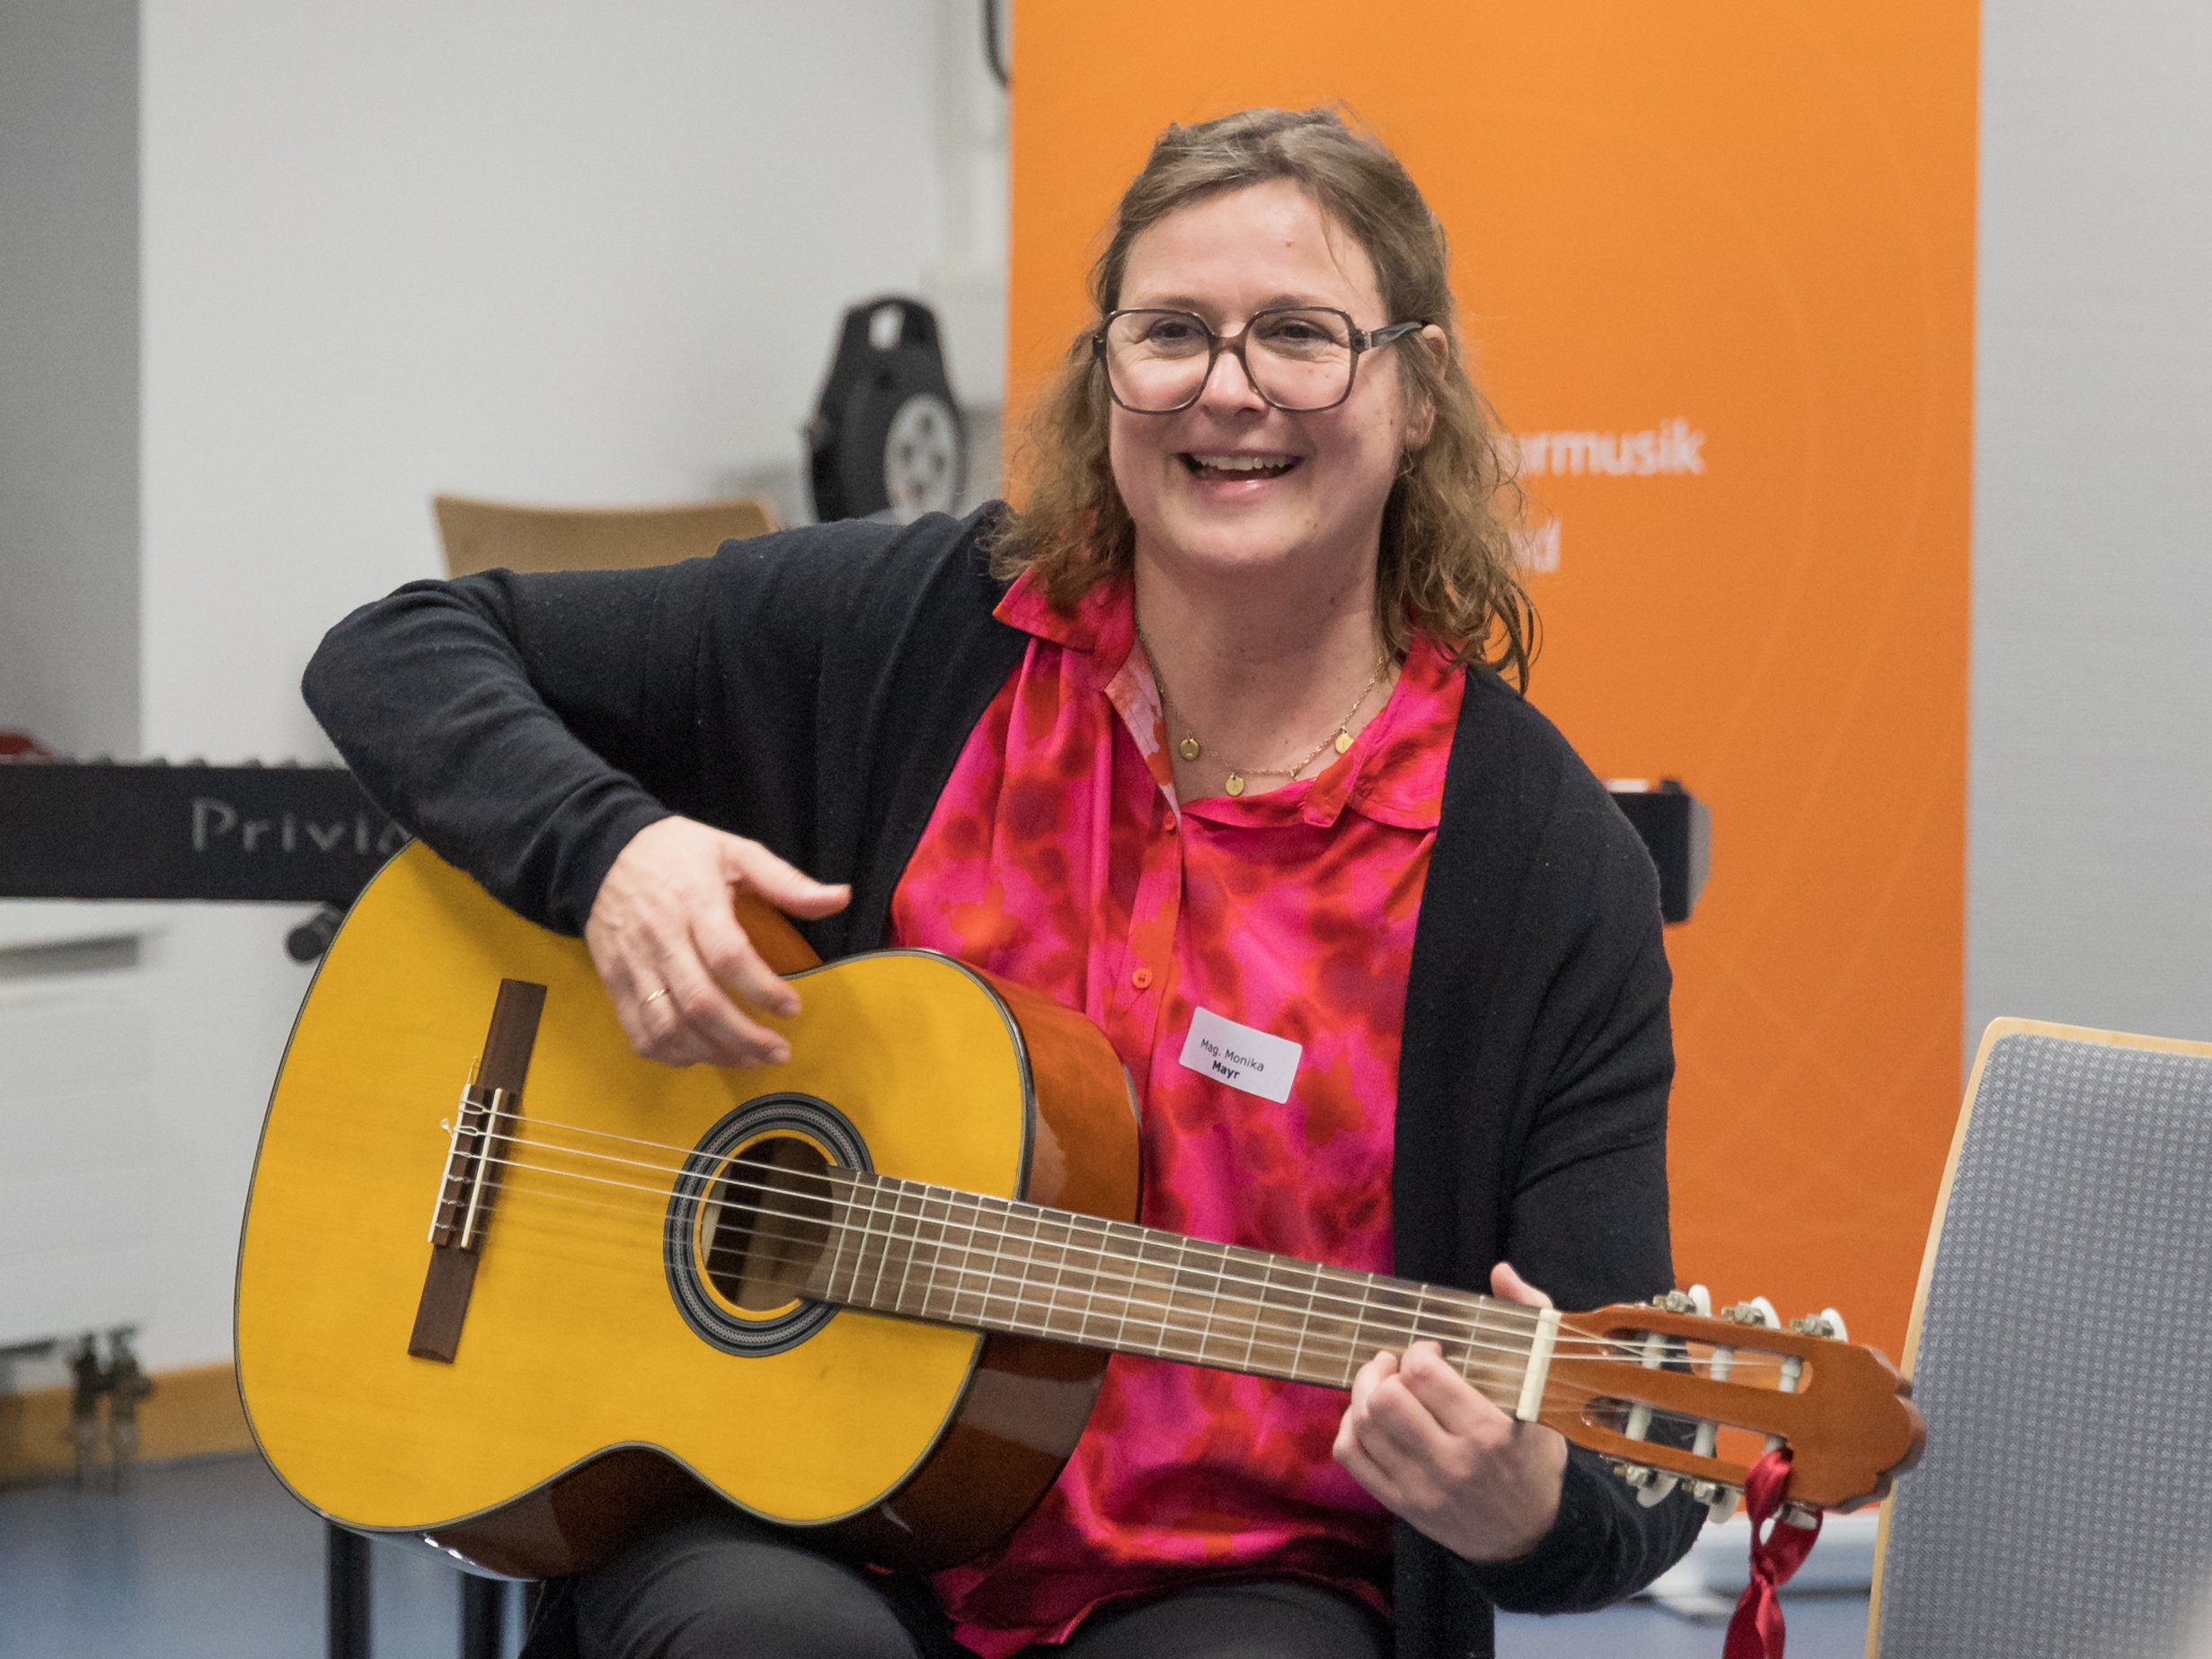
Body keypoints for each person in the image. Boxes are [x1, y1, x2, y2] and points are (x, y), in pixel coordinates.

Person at [305, 106, 1701, 1659]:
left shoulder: (1537, 864)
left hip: (1235, 1579)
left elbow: (1631, 1473)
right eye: (1169, 332)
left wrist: (1526, 1508)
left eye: (1299, 336)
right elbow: (398, 648)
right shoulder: (908, 633)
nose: (1227, 391)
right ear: (1104, 371)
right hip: (799, 1510)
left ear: (1418, 388)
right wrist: (611, 855)